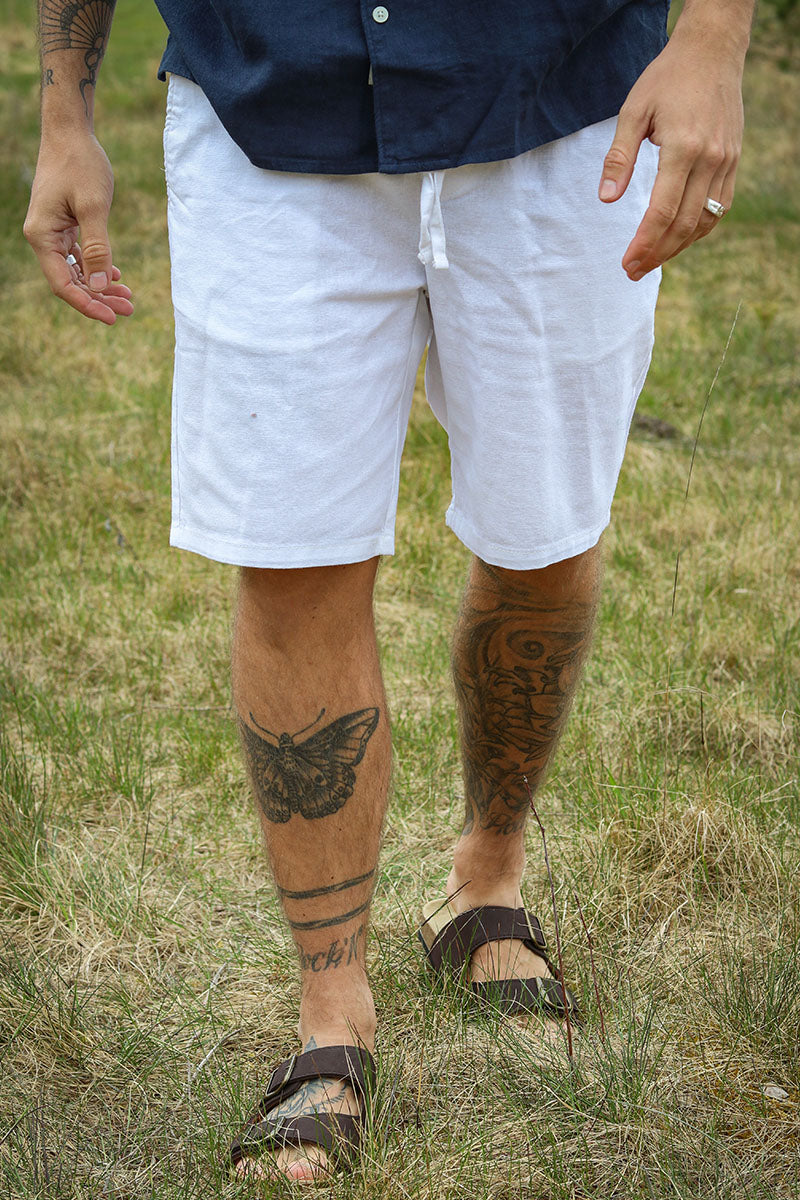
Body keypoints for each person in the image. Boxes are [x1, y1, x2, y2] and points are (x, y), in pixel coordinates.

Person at [24, 0, 754, 1184]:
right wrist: (65, 113)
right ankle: (332, 1017)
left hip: (560, 103)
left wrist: (713, 40)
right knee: (292, 557)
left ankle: (485, 882)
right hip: (269, 105)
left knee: (541, 540)